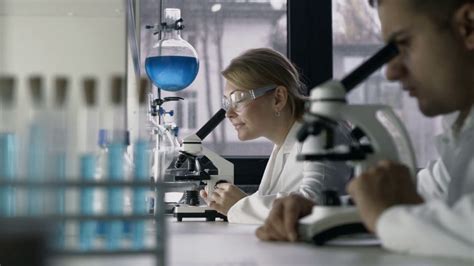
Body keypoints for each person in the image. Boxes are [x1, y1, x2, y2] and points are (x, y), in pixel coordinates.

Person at [256, 0, 474, 260]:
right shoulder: (463, 130)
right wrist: (327, 212)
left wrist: (387, 217)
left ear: (468, 26)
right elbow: (433, 195)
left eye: (403, 43)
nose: (391, 72)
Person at [200, 48, 352, 224]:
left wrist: (240, 205)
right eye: (227, 103)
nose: (229, 113)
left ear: (278, 98)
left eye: (238, 99)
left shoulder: (321, 128)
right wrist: (232, 204)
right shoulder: (285, 140)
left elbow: (314, 204)